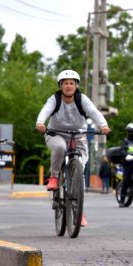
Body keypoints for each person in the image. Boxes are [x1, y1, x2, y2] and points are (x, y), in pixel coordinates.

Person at [35, 70, 110, 227]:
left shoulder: (81, 99)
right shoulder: (55, 99)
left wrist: (103, 125)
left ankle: (78, 212)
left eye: (72, 83)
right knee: (61, 148)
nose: (69, 86)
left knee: (80, 168)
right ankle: (55, 177)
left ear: (76, 85)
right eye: (65, 83)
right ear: (60, 85)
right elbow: (45, 111)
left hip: (78, 135)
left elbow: (94, 112)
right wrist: (40, 123)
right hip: (56, 134)